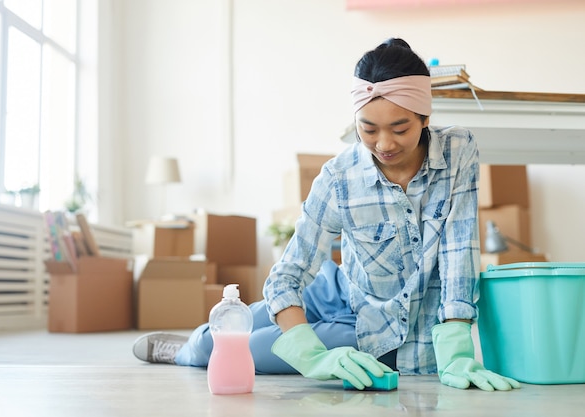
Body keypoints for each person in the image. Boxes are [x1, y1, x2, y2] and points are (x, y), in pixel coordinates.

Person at [133, 38, 520, 392]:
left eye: (400, 129)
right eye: (368, 129)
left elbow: (458, 250)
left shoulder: (458, 151)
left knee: (237, 349)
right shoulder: (339, 177)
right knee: (235, 323)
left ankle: (188, 351)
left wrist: (455, 348)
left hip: (377, 330)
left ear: (424, 118)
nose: (384, 144)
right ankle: (191, 343)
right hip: (338, 288)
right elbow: (287, 276)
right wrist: (313, 358)